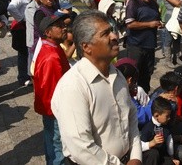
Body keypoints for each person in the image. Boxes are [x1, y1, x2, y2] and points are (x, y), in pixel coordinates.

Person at [51, 11, 142, 165]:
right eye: (105, 34)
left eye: (111, 31)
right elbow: (81, 147)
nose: (114, 36)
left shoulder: (117, 75)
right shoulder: (73, 86)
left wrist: (135, 157)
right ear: (86, 47)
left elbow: (131, 117)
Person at [33, 14, 71, 165]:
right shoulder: (51, 57)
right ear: (48, 32)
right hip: (54, 110)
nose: (64, 28)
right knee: (57, 146)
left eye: (64, 24)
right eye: (59, 26)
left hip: (51, 109)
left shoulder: (53, 48)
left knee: (52, 141)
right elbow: (54, 91)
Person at [125, 0, 161, 93]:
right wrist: (150, 24)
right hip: (136, 45)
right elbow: (130, 24)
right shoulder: (133, 3)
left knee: (147, 74)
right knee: (133, 73)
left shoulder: (154, 4)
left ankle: (144, 96)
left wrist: (159, 23)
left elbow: (156, 19)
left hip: (150, 45)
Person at [8, 0, 35, 86]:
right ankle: (23, 77)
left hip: (24, 27)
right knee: (23, 53)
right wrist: (22, 19)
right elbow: (11, 8)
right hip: (20, 28)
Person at [140, 96, 176, 165]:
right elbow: (139, 146)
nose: (169, 118)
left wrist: (172, 157)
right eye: (167, 116)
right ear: (156, 115)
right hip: (148, 157)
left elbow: (169, 141)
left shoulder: (166, 127)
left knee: (169, 162)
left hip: (161, 155)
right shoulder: (148, 128)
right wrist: (151, 143)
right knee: (154, 153)